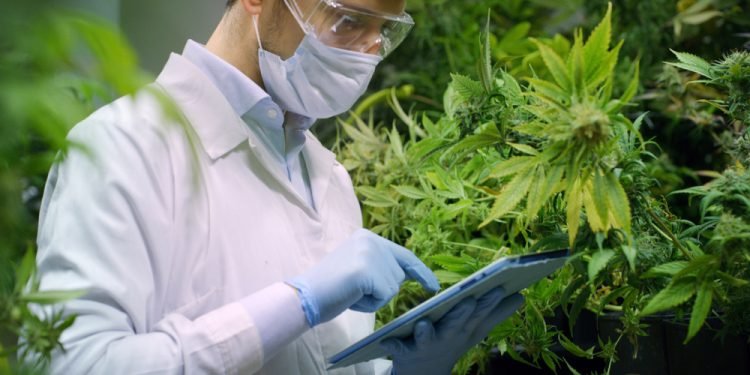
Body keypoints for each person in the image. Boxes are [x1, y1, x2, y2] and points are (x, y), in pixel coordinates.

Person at [33, 0, 524, 373]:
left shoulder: (330, 179)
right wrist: (297, 302)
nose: (365, 55)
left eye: (384, 33)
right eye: (348, 20)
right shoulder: (121, 147)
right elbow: (76, 363)